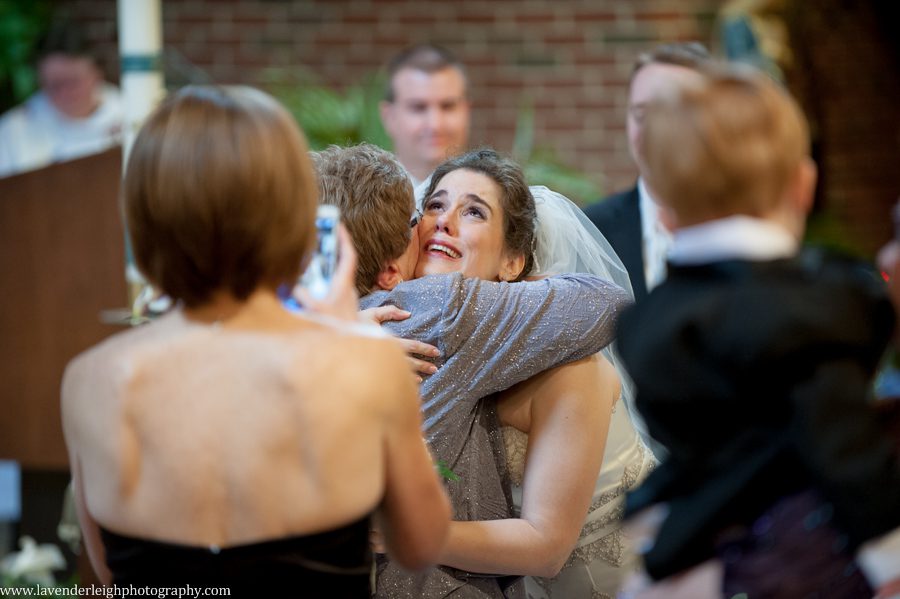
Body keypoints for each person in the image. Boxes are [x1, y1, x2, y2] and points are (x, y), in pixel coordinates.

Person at [60, 86, 451, 596]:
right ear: (292, 215)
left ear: (145, 214)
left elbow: (115, 576)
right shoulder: (360, 362)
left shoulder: (91, 379)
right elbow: (421, 545)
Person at [616, 64, 900, 598]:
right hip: (801, 558)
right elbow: (845, 443)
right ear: (804, 184)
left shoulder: (650, 321)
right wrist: (889, 558)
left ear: (667, 213)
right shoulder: (806, 310)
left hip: (686, 545)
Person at [314, 145, 635, 597]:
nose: (441, 221)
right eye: (434, 205)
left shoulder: (569, 363)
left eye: (474, 212)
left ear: (512, 262)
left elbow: (546, 546)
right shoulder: (396, 319)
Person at [583, 42, 711, 302]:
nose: (653, 133)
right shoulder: (591, 232)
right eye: (641, 115)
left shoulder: (741, 228)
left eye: (671, 114)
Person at [0, 21, 122, 178]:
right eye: (54, 85)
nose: (65, 93)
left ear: (97, 73)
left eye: (73, 81)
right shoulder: (12, 132)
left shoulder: (130, 113)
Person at [379, 44, 470, 186]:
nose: (435, 124)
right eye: (418, 108)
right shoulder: (352, 204)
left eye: (447, 106)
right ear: (389, 117)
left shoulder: (503, 202)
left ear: (466, 111)